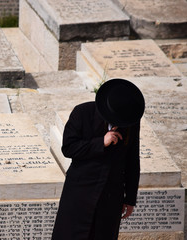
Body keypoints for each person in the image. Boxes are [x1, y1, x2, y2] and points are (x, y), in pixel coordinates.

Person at [52, 78, 145, 240]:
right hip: (80, 193)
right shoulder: (82, 113)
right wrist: (100, 143)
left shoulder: (130, 122)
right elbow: (69, 148)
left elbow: (132, 161)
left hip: (110, 197)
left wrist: (130, 198)